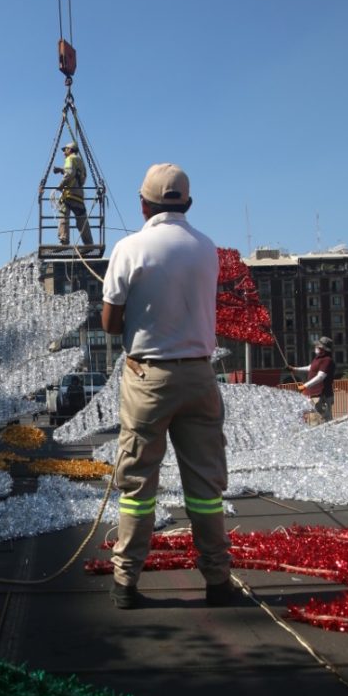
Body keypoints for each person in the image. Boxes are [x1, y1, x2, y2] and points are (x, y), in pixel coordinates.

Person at [101, 162, 234, 609]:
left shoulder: (130, 248)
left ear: (143, 204)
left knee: (138, 485)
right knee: (205, 485)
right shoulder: (207, 248)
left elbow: (109, 322)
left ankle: (126, 583)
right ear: (188, 204)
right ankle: (217, 579)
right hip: (200, 375)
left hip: (148, 378)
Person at [53, 141, 93, 247]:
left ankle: (64, 241)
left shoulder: (69, 159)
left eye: (65, 149)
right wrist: (62, 170)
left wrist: (61, 185)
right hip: (79, 194)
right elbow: (78, 174)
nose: (63, 152)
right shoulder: (79, 160)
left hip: (69, 194)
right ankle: (88, 244)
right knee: (81, 219)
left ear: (70, 150)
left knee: (63, 216)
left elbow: (70, 174)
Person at [288, 336, 336, 423]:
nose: (315, 347)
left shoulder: (327, 360)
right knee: (314, 420)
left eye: (318, 346)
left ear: (323, 348)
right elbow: (310, 368)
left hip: (321, 395)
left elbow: (321, 376)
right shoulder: (318, 359)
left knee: (320, 422)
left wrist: (305, 386)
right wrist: (295, 369)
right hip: (316, 395)